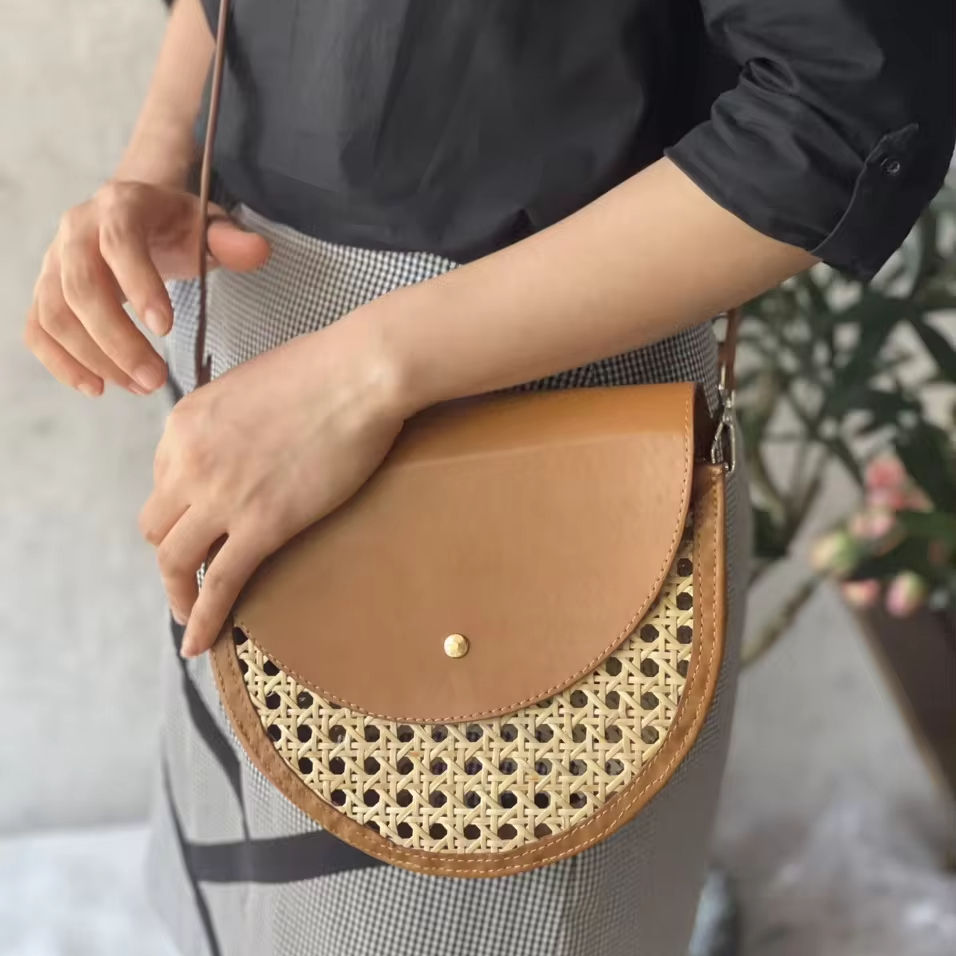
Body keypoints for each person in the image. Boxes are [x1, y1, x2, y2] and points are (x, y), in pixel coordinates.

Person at [22, 1, 954, 953]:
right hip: (243, 363)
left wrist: (357, 382)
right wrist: (154, 167)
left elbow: (841, 102)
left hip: (509, 416)